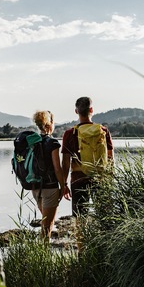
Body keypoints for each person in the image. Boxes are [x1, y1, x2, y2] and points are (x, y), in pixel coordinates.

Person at [61, 97, 113, 217]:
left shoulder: (70, 134)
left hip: (78, 180)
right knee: (104, 216)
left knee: (80, 218)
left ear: (76, 111)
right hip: (100, 179)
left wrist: (63, 184)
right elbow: (110, 159)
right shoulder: (103, 131)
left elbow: (65, 164)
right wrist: (109, 181)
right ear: (91, 110)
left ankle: (80, 235)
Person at [31, 110, 71, 238]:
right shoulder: (52, 142)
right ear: (49, 124)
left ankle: (42, 252)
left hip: (35, 187)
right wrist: (63, 185)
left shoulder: (32, 142)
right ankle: (43, 254)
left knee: (45, 222)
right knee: (47, 226)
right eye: (53, 122)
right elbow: (57, 168)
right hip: (50, 187)